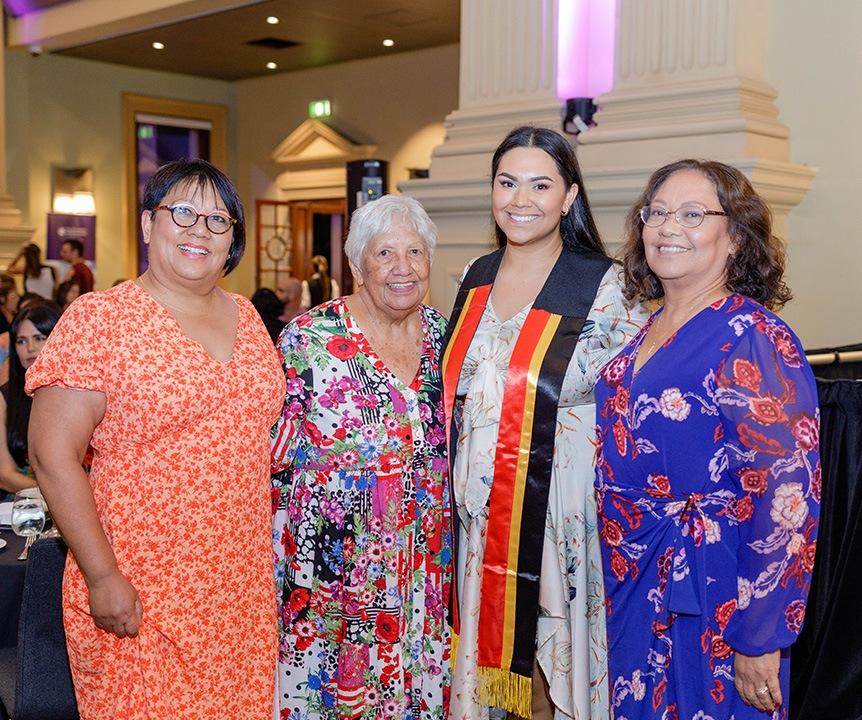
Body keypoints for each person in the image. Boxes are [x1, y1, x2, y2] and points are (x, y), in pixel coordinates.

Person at [26, 158, 285, 719]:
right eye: (183, 212)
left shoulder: (247, 316)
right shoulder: (102, 319)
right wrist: (102, 575)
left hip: (238, 589)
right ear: (148, 224)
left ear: (233, 242)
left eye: (219, 221)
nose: (200, 230)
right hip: (141, 587)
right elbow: (52, 457)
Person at [594, 159, 820, 719]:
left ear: (736, 238)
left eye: (693, 214)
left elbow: (786, 494)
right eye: (658, 213)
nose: (669, 227)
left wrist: (761, 635)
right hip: (634, 579)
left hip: (715, 590)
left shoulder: (753, 336)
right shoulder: (647, 329)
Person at [444, 126, 647, 720]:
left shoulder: (606, 285)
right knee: (492, 673)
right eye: (507, 183)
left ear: (569, 197)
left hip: (561, 509)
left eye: (540, 184)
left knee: (551, 673)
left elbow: (630, 403)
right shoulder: (474, 279)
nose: (520, 199)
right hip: (480, 515)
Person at [271, 194, 452, 719]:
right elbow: (268, 460)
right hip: (334, 575)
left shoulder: (449, 336)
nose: (403, 268)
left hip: (422, 570)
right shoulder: (309, 340)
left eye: (415, 253)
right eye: (385, 254)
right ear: (356, 265)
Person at [0, 301, 61, 495]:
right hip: (22, 505)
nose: (30, 348)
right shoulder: (5, 397)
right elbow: (5, 475)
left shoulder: (80, 393)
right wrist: (58, 495)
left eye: (39, 338)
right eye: (21, 341)